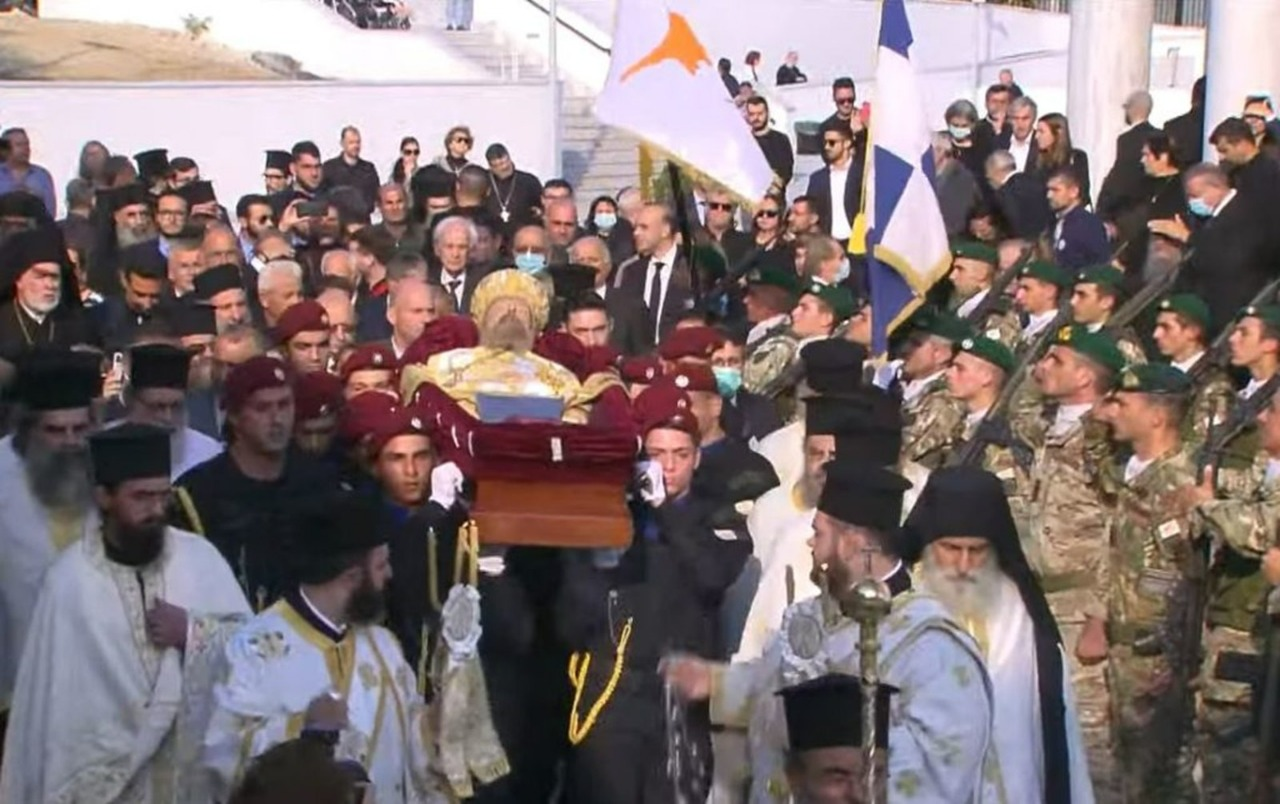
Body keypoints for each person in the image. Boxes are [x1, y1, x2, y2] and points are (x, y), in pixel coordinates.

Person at [663, 453, 995, 802]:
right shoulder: (812, 616)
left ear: (851, 544)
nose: (810, 543)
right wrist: (714, 682)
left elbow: (940, 770)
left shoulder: (934, 649)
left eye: (818, 533)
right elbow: (774, 685)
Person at [0, 423, 250, 802]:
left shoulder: (200, 559)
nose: (157, 509)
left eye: (163, 495)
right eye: (141, 497)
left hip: (188, 781)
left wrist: (192, 633)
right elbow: (52, 706)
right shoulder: (69, 581)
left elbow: (256, 653)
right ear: (104, 497)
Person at [204, 491, 457, 803]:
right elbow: (222, 759)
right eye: (381, 566)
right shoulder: (253, 649)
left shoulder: (383, 645)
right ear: (352, 578)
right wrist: (304, 730)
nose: (390, 574)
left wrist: (437, 721)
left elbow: (408, 741)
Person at [904, 466, 1094, 803]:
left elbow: (1048, 724)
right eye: (951, 548)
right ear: (929, 544)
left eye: (976, 550)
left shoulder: (1021, 615)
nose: (963, 565)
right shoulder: (904, 610)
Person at [1099, 363, 1199, 801]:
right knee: (1122, 778)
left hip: (1158, 657)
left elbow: (1190, 578)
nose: (1111, 411)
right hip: (1119, 649)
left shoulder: (1182, 481)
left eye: (1124, 403)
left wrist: (1177, 662)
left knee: (1159, 784)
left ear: (1157, 416)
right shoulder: (1125, 472)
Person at [171, 356, 342, 611]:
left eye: (284, 405)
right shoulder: (197, 495)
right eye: (262, 408)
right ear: (235, 416)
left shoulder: (321, 482)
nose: (277, 419)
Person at [0, 350, 102, 730]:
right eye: (56, 431)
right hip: (17, 685)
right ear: (27, 431)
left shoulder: (111, 470)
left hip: (101, 681)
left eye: (80, 429)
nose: (71, 442)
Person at [399, 269, 614, 423]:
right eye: (500, 310)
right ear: (481, 322)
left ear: (535, 328)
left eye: (520, 311)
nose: (510, 313)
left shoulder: (558, 375)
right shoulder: (447, 365)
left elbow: (575, 417)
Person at [124, 343, 223, 478]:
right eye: (157, 407)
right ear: (131, 402)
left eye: (176, 406)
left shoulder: (210, 454)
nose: (168, 417)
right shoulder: (105, 448)